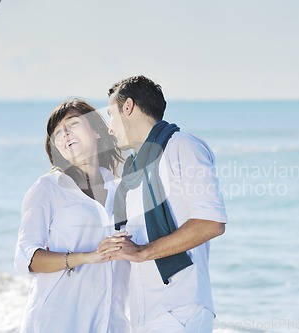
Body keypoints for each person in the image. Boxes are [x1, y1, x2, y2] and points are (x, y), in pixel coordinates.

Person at [98, 75, 228, 333]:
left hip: (180, 309)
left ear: (128, 107)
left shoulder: (183, 146)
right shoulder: (134, 171)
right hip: (144, 313)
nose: (110, 127)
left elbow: (212, 222)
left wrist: (142, 251)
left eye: (111, 114)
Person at [14, 99, 130, 333]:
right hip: (56, 321)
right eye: (57, 133)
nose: (64, 134)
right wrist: (87, 257)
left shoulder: (123, 189)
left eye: (73, 124)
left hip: (110, 322)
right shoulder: (47, 188)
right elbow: (26, 258)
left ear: (97, 131)